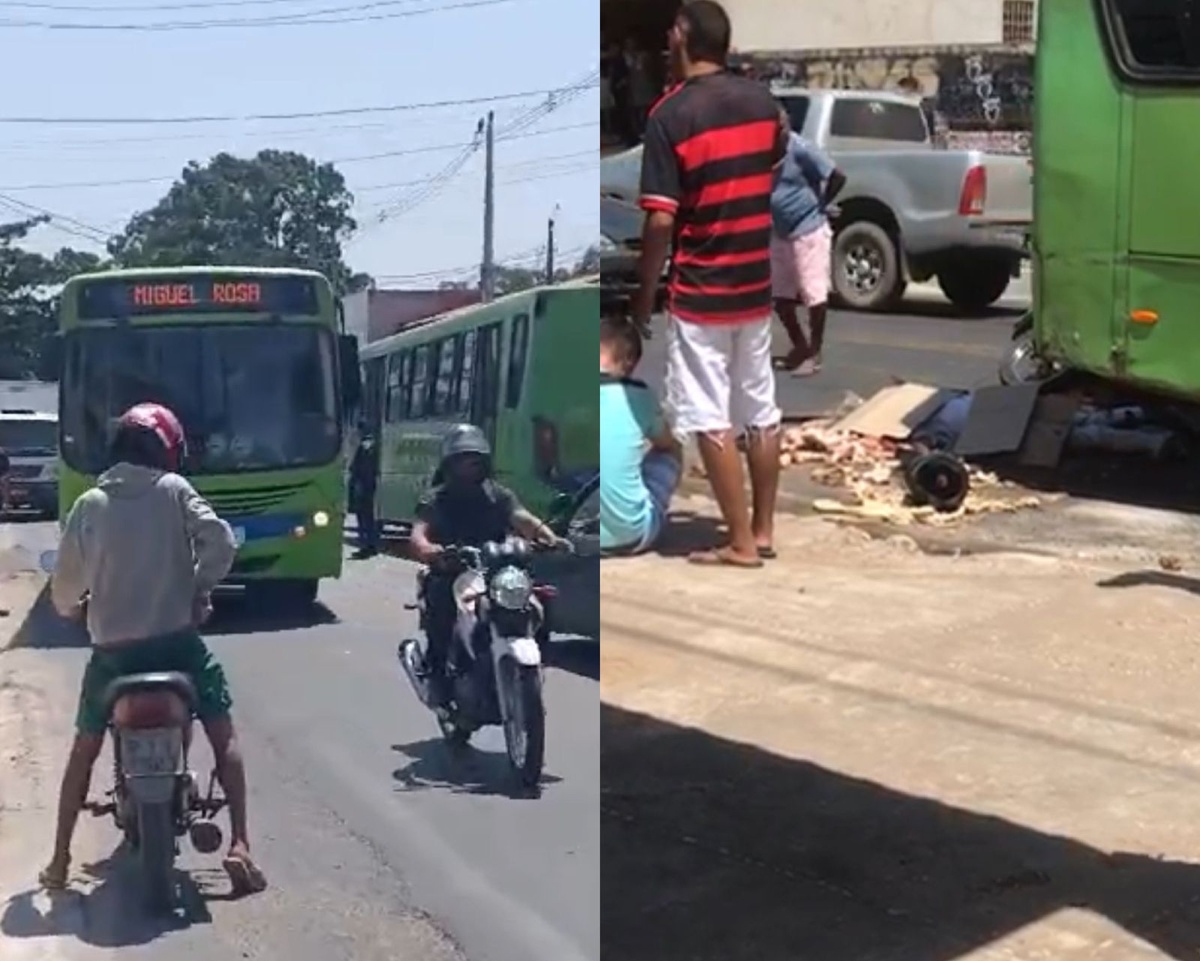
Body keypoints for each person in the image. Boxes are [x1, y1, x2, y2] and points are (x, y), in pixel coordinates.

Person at [42, 402, 266, 896]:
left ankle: (59, 859)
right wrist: (199, 588)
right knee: (223, 734)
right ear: (167, 449)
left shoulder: (89, 504)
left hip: (113, 658)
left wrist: (75, 609)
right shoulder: (174, 490)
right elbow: (220, 543)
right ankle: (241, 845)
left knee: (83, 749)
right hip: (177, 650)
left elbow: (63, 589)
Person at [631, 0, 786, 568]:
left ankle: (740, 542)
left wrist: (645, 299)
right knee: (760, 407)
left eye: (671, 31)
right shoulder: (761, 102)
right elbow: (775, 154)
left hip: (702, 288)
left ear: (682, 37)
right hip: (754, 283)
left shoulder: (670, 116)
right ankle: (764, 529)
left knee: (708, 413)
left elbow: (661, 220)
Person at [409, 424, 569, 707]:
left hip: (498, 569)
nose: (468, 467)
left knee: (540, 600)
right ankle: (437, 674)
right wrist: (431, 550)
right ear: (449, 464)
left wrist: (549, 537)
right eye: (461, 461)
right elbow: (419, 535)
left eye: (474, 461)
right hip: (452, 569)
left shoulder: (498, 495)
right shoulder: (437, 498)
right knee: (441, 606)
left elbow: (523, 519)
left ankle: (534, 659)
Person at [770, 106, 846, 375]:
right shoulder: (759, 155)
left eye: (782, 128)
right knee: (780, 295)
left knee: (812, 291)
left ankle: (815, 352)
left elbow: (837, 175)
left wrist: (821, 204)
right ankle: (799, 346)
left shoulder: (800, 149)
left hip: (808, 226)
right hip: (779, 230)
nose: (779, 134)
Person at [600, 316, 682, 554]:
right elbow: (666, 443)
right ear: (628, 362)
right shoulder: (638, 394)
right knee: (671, 450)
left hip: (581, 537)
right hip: (633, 536)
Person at [349, 423, 380, 558]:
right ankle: (372, 545)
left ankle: (365, 546)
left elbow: (356, 468)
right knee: (371, 519)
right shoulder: (375, 445)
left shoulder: (363, 446)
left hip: (363, 487)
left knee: (363, 518)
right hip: (372, 487)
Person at [0, 446, 10, 516]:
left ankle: (5, 506)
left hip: (3, 475)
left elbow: (7, 467)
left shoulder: (3, 456)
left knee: (4, 491)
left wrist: (4, 476)